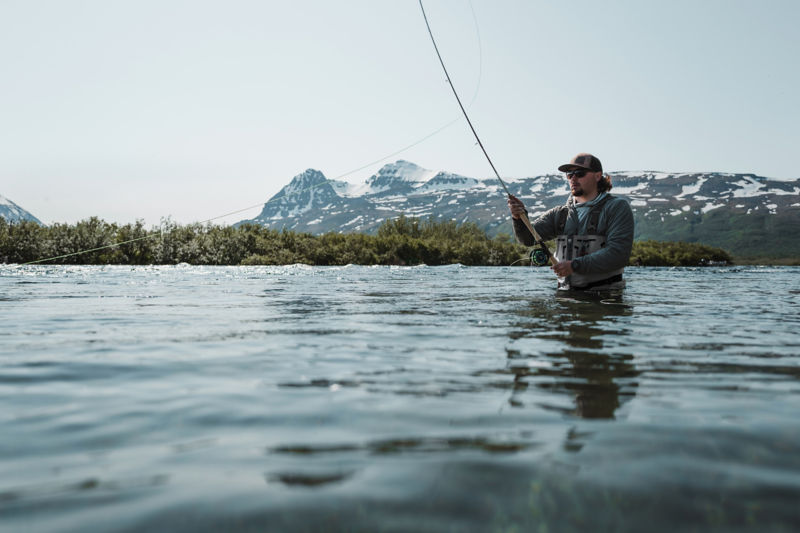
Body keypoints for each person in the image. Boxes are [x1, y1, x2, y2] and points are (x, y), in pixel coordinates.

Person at [507, 153, 634, 291]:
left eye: (580, 173)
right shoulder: (559, 214)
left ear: (598, 176)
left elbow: (618, 254)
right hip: (565, 296)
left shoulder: (617, 208)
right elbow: (528, 239)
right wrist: (518, 218)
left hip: (606, 298)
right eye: (569, 174)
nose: (573, 178)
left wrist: (574, 265)